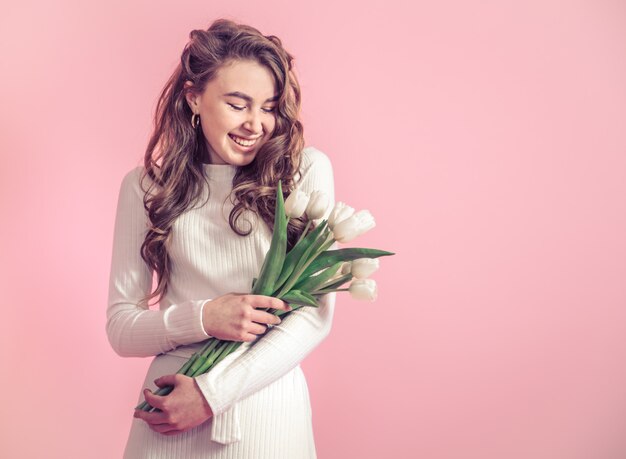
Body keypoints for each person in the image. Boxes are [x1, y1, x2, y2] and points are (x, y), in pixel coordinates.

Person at [106, 18, 337, 459]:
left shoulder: (304, 171)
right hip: (169, 412)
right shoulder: (146, 187)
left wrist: (211, 394)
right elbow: (121, 329)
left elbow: (313, 318)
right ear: (194, 97)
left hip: (266, 409)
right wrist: (205, 317)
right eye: (238, 104)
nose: (256, 124)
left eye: (268, 107)